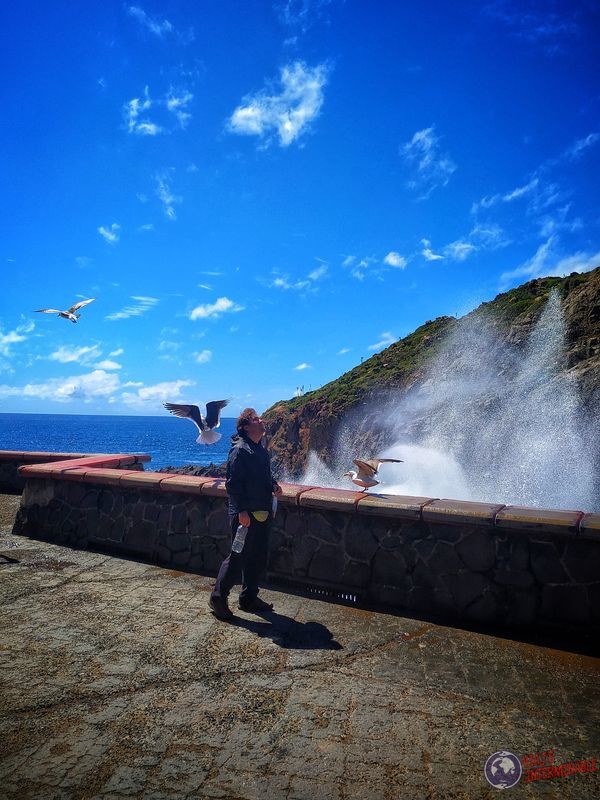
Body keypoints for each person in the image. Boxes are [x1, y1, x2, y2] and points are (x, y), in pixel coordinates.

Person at [209, 408, 282, 620]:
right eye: (256, 419)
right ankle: (217, 598)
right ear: (246, 427)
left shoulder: (259, 449)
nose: (262, 421)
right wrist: (241, 511)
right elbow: (233, 485)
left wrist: (274, 485)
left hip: (262, 511)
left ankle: (249, 598)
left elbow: (264, 477)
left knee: (257, 557)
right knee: (237, 557)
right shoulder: (240, 450)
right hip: (245, 515)